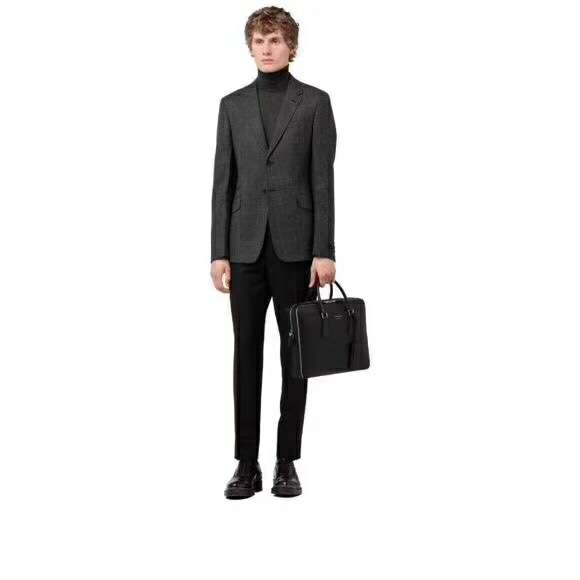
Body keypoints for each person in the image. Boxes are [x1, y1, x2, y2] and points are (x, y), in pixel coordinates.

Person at [209, 6, 337, 499]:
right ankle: (247, 463)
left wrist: (323, 250)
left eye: (276, 40)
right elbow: (223, 183)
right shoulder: (232, 105)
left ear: (292, 47)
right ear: (250, 46)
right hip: (243, 249)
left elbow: (322, 181)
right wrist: (218, 251)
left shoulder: (315, 103)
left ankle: (286, 461)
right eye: (260, 41)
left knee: (294, 356)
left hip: (296, 248)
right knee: (246, 355)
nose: (267, 48)